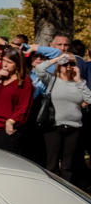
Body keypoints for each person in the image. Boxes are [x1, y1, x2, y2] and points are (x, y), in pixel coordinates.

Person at [34, 52, 91, 181]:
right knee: (52, 164)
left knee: (68, 165)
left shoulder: (80, 83)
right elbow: (39, 69)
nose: (68, 66)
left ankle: (67, 192)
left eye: (72, 64)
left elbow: (89, 98)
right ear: (60, 65)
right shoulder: (52, 80)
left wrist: (79, 80)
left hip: (74, 128)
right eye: (65, 63)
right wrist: (58, 59)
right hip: (53, 127)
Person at [0, 48, 33, 153]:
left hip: (7, 129)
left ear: (17, 64)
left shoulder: (25, 82)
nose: (5, 65)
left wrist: (11, 121)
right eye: (4, 60)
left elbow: (24, 107)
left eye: (9, 62)